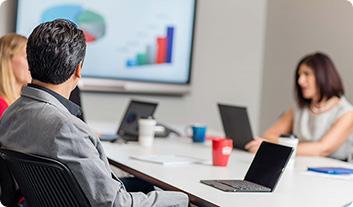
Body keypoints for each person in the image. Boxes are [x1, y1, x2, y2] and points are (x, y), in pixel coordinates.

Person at [0, 19, 188, 206]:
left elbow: (10, 195)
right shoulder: (68, 129)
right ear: (78, 69)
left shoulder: (10, 116)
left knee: (142, 185)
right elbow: (114, 203)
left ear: (31, 62)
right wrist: (181, 197)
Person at [245, 52, 353, 161]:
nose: (300, 81)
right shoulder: (298, 109)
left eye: (306, 74)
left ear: (323, 76)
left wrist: (274, 148)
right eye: (299, 75)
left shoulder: (347, 113)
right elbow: (268, 135)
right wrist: (274, 145)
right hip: (300, 166)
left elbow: (323, 149)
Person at [0, 34, 31, 118]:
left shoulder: (21, 103)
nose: (32, 62)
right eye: (27, 56)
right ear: (7, 59)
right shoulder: (1, 107)